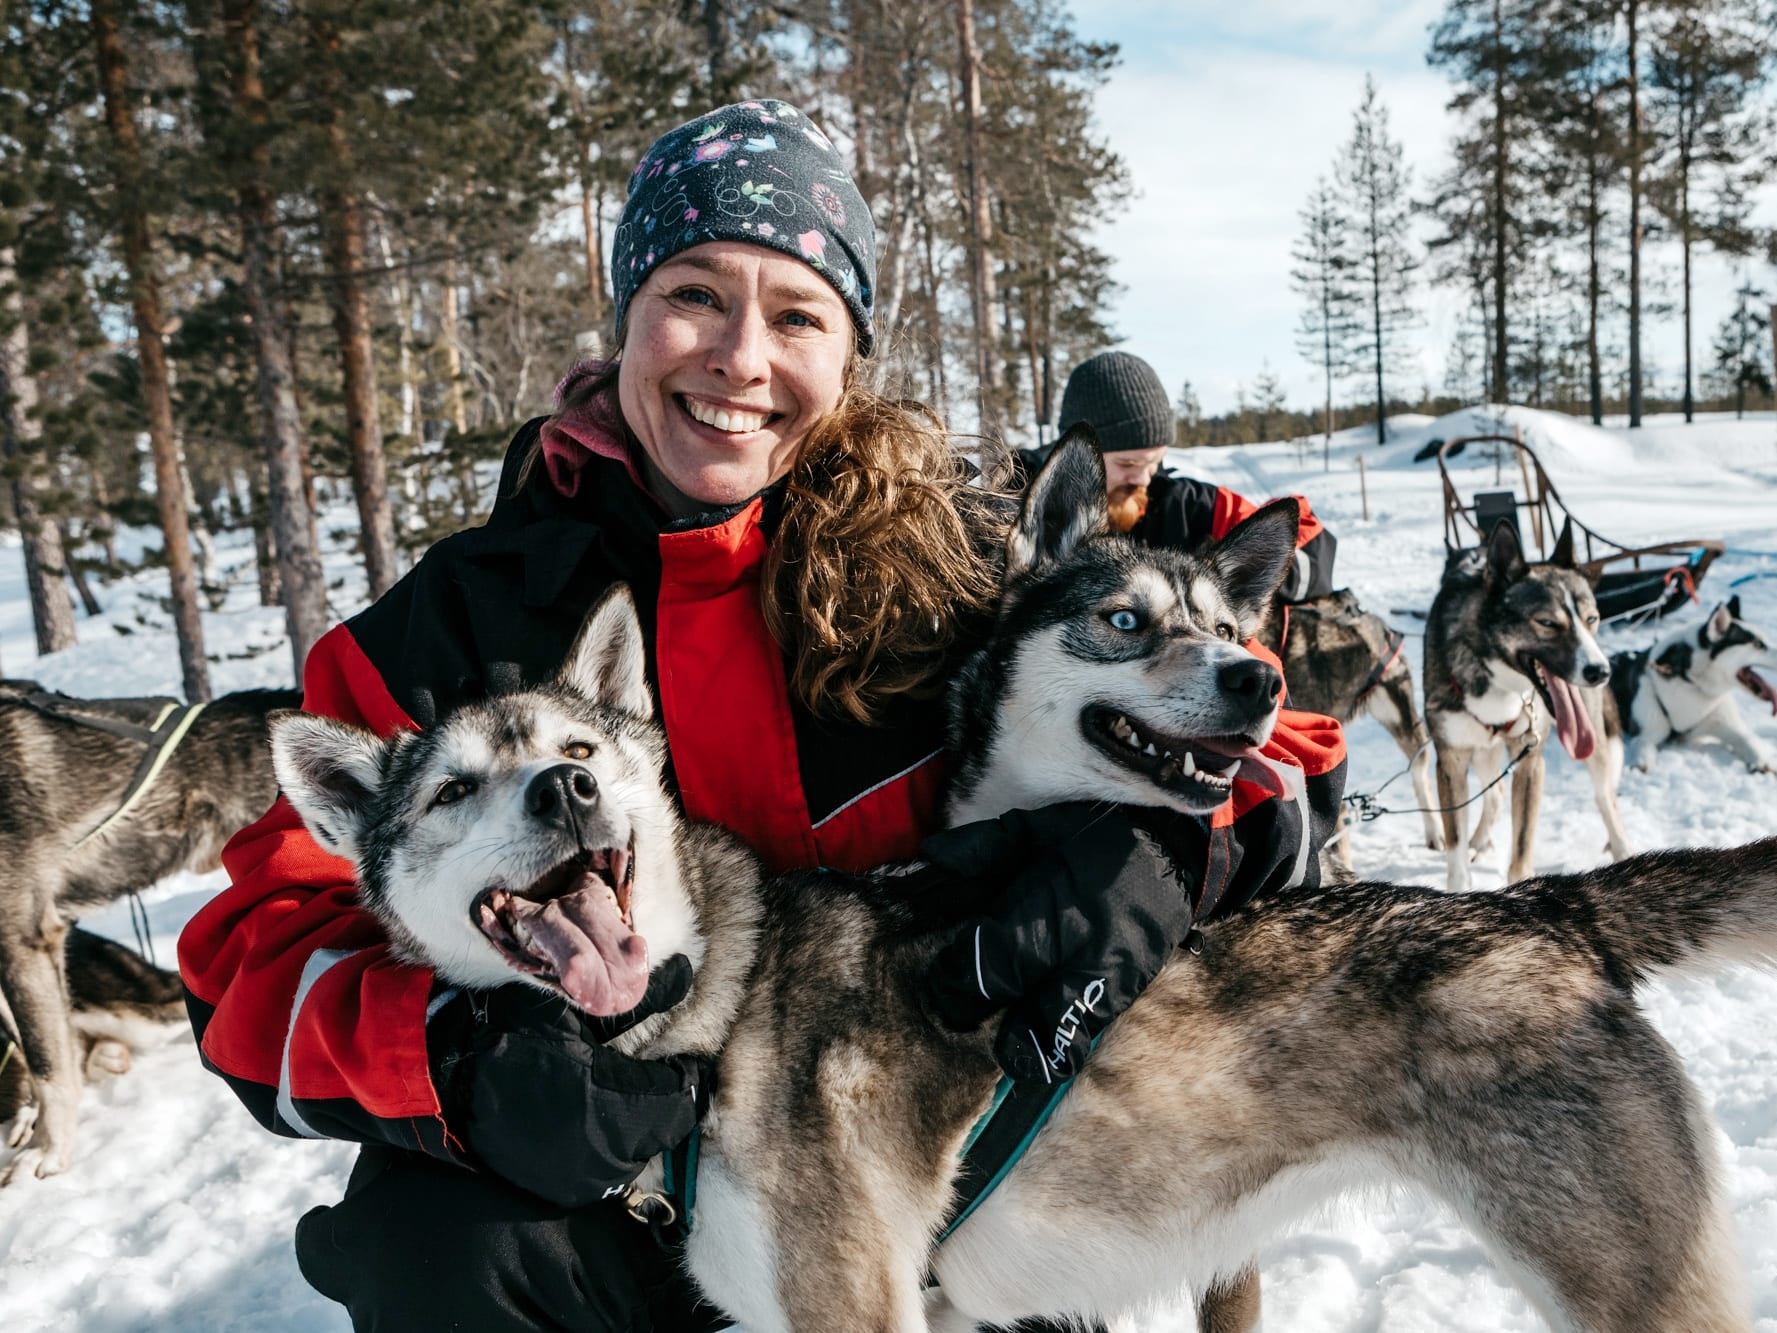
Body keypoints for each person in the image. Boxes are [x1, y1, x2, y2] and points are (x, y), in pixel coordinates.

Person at [179, 100, 1345, 1333]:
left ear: (847, 357)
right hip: (624, 1189)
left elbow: (1283, 749)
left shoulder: (953, 569)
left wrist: (1170, 843)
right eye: (693, 293)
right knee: (431, 1242)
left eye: (795, 315)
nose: (739, 356)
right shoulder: (446, 631)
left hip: (939, 1140)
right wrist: (461, 1064)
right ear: (626, 311)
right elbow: (254, 954)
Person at [1019, 351, 1338, 603]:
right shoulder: (1014, 497)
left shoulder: (1184, 505)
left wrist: (1235, 575)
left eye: (1155, 461)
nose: (1144, 478)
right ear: (1078, 457)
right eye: (1128, 463)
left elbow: (1307, 546)